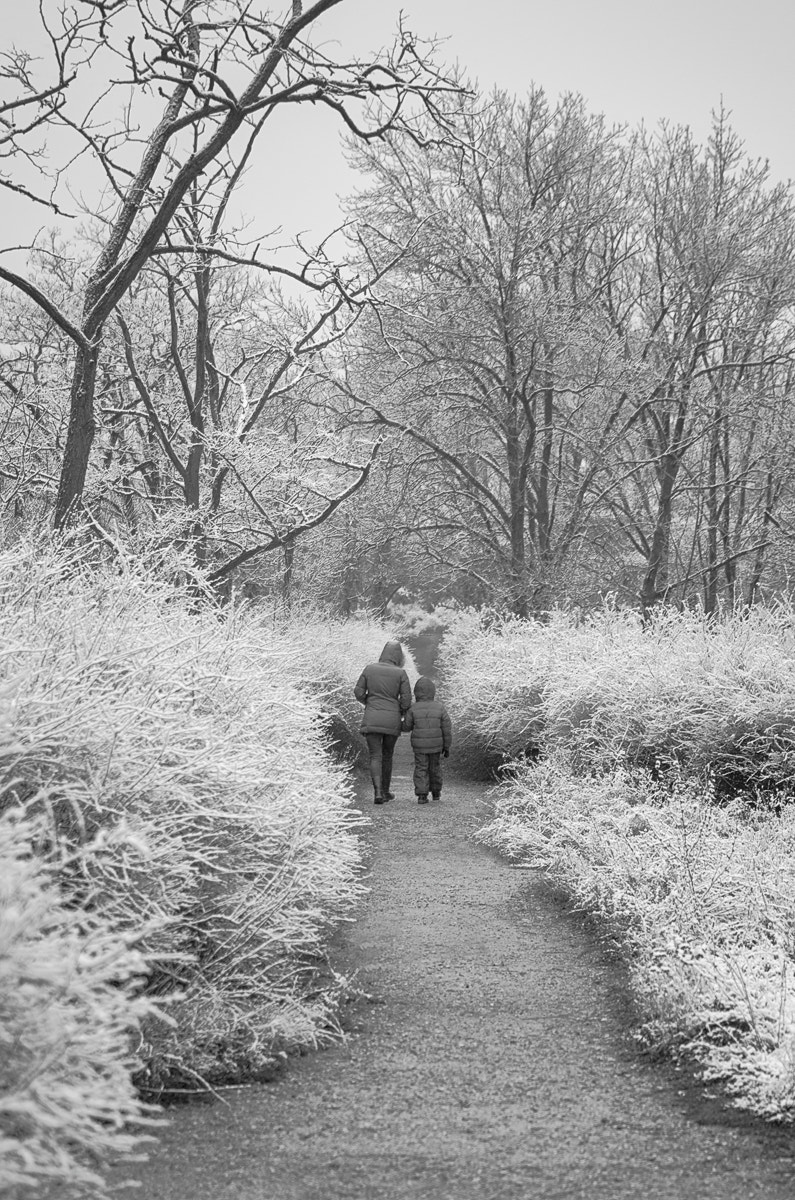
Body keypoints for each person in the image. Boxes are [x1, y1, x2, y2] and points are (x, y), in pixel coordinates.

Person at [354, 640, 412, 805]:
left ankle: (377, 792)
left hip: (371, 717)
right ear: (398, 657)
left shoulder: (370, 669)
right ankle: (385, 792)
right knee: (387, 756)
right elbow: (407, 700)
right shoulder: (400, 674)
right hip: (392, 720)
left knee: (375, 756)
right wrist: (399, 710)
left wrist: (369, 703)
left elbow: (358, 691)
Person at [402, 676, 453, 805]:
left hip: (419, 746)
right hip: (436, 746)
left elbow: (407, 727)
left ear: (416, 692)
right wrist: (446, 747)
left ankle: (422, 795)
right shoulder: (440, 707)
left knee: (421, 767)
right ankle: (436, 793)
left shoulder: (413, 708)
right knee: (435, 767)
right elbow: (446, 728)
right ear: (433, 692)